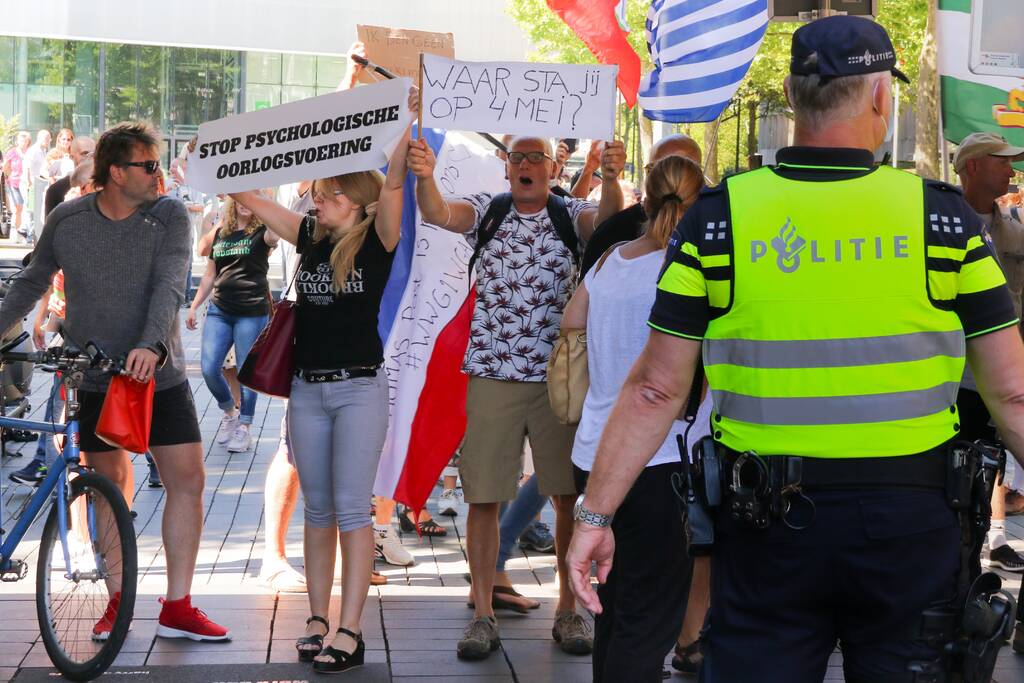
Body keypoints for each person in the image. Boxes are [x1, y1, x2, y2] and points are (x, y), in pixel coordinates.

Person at [567, 16, 1024, 682]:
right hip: (909, 527)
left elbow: (655, 389)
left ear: (789, 91)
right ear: (880, 98)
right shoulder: (943, 219)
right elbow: (1011, 392)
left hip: (768, 527)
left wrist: (595, 512)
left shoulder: (719, 220)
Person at [0, 121, 231, 642]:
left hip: (158, 374)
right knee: (109, 489)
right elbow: (32, 282)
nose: (158, 175)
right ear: (112, 172)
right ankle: (118, 602)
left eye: (158, 164)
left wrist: (151, 345)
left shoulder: (167, 215)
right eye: (147, 166)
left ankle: (178, 605)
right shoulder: (68, 220)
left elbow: (171, 282)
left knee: (187, 480)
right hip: (96, 374)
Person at [407, 132, 625, 660]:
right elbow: (438, 213)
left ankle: (568, 612)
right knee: (483, 495)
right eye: (518, 157)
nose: (526, 165)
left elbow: (612, 227)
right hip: (490, 373)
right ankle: (482, 614)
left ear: (554, 168)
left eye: (536, 158)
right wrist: (424, 174)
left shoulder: (572, 213)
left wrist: (614, 178)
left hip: (557, 380)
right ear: (505, 167)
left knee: (567, 498)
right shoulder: (489, 209)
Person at [229, 92, 415, 674]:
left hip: (359, 388)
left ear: (356, 205)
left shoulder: (380, 241)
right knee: (318, 510)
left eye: (334, 194)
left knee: (353, 512)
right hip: (308, 390)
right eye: (321, 191)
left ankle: (351, 629)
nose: (322, 199)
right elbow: (250, 197)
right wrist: (222, 160)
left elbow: (392, 187)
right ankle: (316, 619)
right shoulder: (309, 235)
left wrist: (403, 123)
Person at [561, 155, 704, 682]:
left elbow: (572, 321)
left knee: (613, 607)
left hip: (595, 455)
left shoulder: (611, 261)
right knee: (648, 618)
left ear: (643, 199)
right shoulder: (696, 269)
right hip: (664, 460)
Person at [952, 132, 1024, 573]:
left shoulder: (1013, 231)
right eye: (1002, 162)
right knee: (956, 472)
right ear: (973, 167)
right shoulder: (937, 224)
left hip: (1000, 374)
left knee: (990, 466)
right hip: (951, 379)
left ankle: (983, 541)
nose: (1011, 169)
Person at [186, 193, 276, 453]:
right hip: (220, 308)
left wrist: (267, 206)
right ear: (233, 203)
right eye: (240, 200)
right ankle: (230, 412)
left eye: (250, 201)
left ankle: (245, 427)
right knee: (208, 367)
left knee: (247, 372)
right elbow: (210, 274)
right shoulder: (221, 234)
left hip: (251, 310)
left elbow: (276, 236)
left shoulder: (262, 233)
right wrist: (194, 306)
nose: (245, 205)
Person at [579, 134, 703, 277]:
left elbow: (584, 295)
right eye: (664, 170)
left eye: (680, 169)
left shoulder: (612, 241)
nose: (672, 179)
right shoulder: (612, 233)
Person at [44, 136, 95, 218]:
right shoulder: (56, 190)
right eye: (85, 153)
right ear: (72, 157)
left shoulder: (107, 186)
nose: (91, 157)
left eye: (94, 153)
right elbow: (50, 228)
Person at [23, 129, 52, 243]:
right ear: (41, 138)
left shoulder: (44, 151)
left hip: (39, 183)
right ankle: (29, 235)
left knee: (36, 209)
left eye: (49, 139)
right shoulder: (34, 151)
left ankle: (31, 233)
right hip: (32, 184)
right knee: (31, 209)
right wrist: (29, 182)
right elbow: (27, 167)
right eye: (47, 138)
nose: (49, 141)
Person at [3, 131, 31, 233]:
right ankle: (17, 231)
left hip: (29, 184)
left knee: (28, 208)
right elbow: (5, 167)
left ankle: (26, 231)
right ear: (17, 141)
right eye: (21, 140)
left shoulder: (30, 152)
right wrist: (9, 177)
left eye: (26, 140)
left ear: (28, 142)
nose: (24, 142)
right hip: (15, 183)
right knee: (19, 207)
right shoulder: (12, 152)